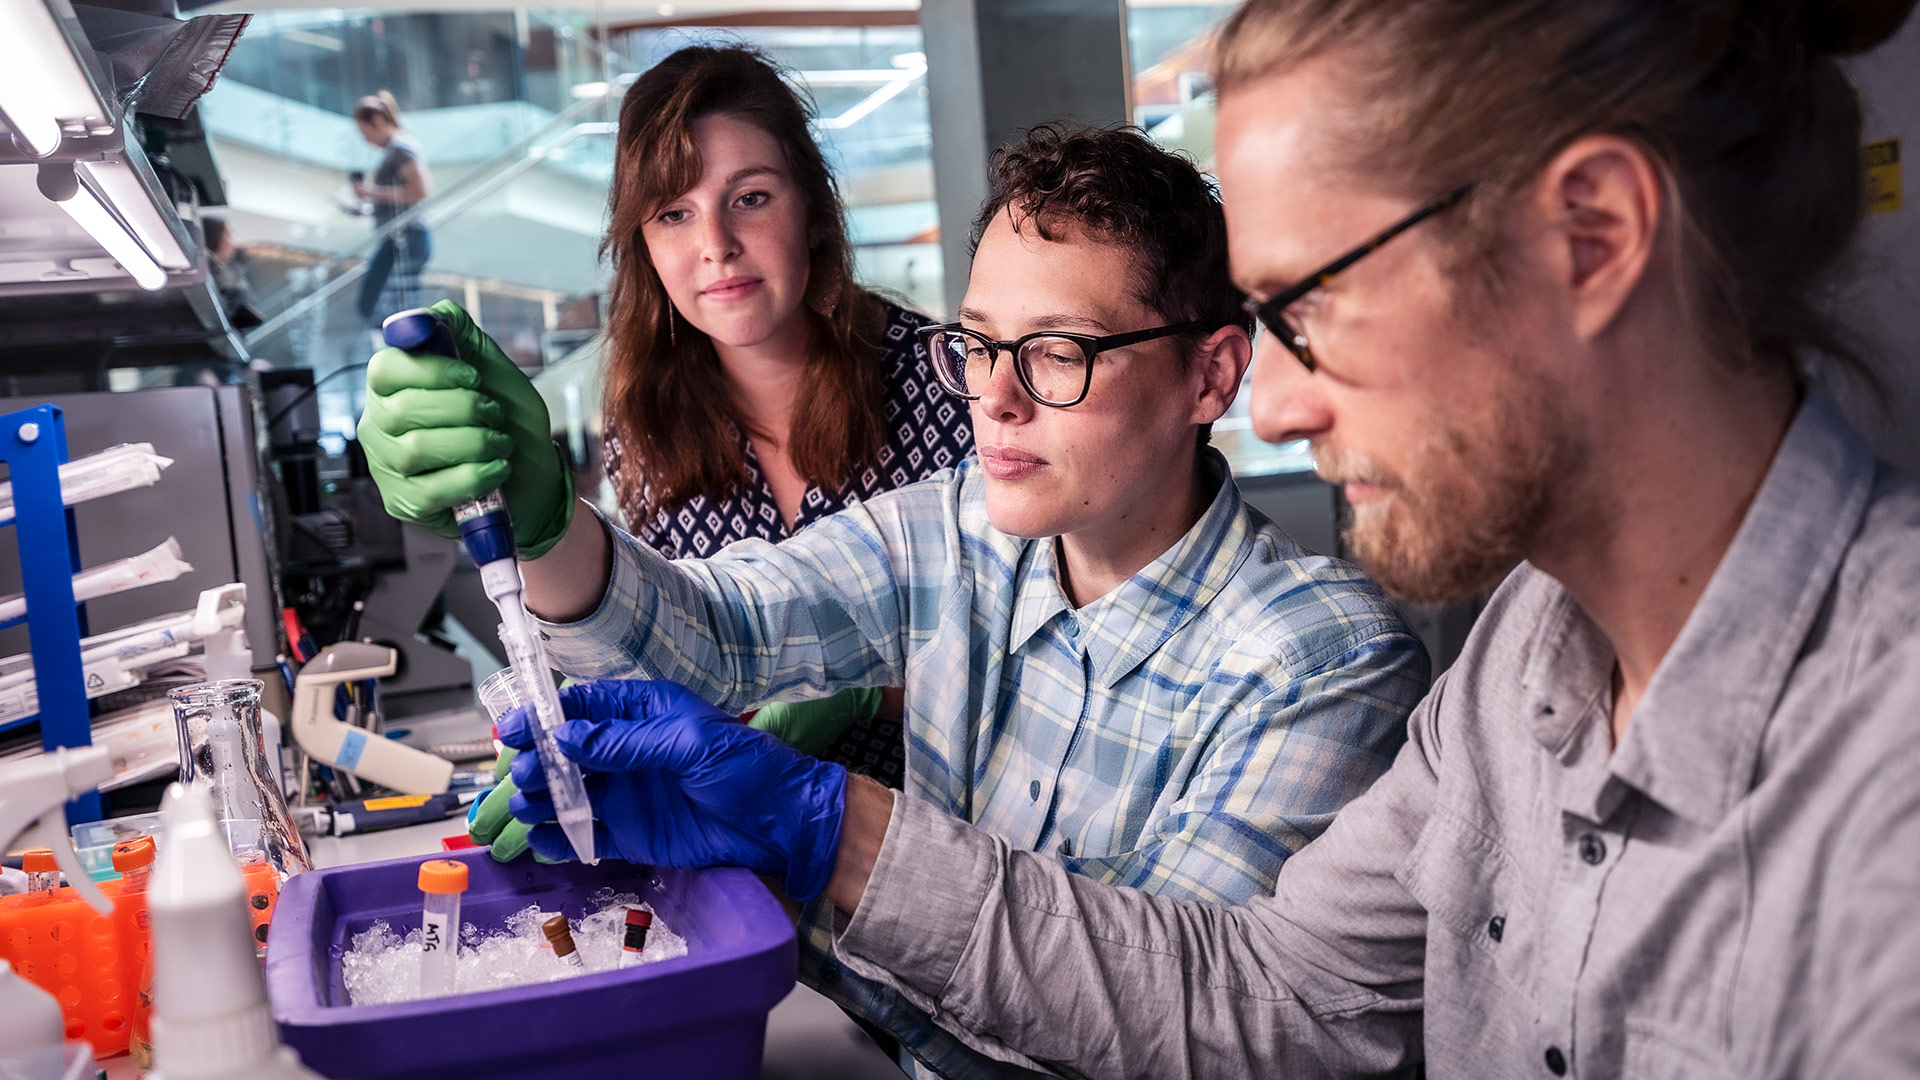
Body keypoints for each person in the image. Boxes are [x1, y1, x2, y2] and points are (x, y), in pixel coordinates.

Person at [488, 0, 1920, 1075]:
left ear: (1593, 238)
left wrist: (820, 831)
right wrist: (815, 833)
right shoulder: (1517, 670)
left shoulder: (1882, 781)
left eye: (1313, 301)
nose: (1280, 404)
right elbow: (1269, 996)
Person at [361, 122, 1430, 1075]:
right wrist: (552, 534)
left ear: (1209, 377)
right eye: (979, 345)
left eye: (1058, 351)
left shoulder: (1322, 659)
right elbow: (722, 630)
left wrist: (827, 837)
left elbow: (1175, 1022)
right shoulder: (956, 528)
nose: (997, 400)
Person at [461, 45, 979, 862]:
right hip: (746, 860)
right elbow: (659, 649)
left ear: (811, 208)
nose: (716, 243)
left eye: (750, 198)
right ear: (644, 244)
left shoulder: (949, 380)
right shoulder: (644, 427)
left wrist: (856, 696)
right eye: (674, 212)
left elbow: (1035, 649)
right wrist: (579, 713)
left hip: (943, 854)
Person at [351, 91, 433, 324]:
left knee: (376, 305)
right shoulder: (397, 148)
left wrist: (370, 192)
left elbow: (420, 191)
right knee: (392, 309)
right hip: (401, 237)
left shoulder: (401, 147)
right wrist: (370, 207)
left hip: (406, 237)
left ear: (376, 121)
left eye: (364, 132)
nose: (365, 140)